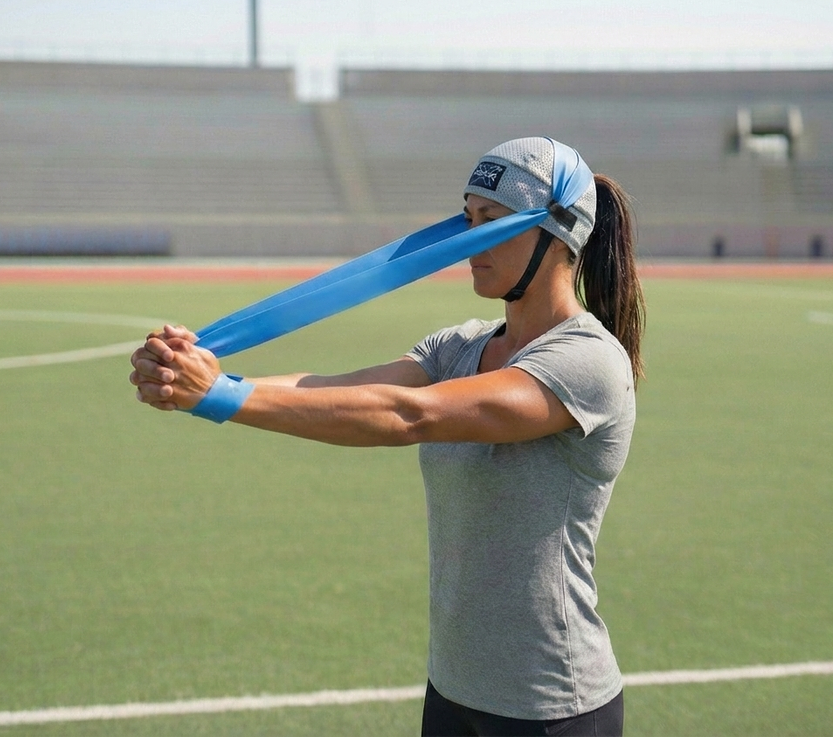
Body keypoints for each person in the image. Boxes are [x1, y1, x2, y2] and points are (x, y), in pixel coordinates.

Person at [130, 137, 645, 737]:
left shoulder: (587, 363)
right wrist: (207, 379)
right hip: (454, 690)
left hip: (553, 706)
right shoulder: (461, 345)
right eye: (467, 219)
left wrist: (220, 397)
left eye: (492, 223)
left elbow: (411, 415)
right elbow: (334, 387)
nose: (466, 242)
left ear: (559, 234)